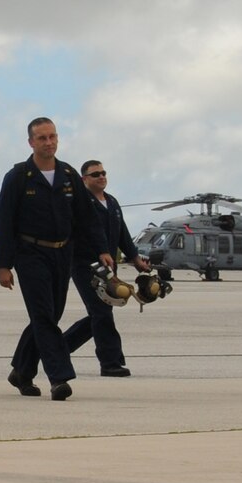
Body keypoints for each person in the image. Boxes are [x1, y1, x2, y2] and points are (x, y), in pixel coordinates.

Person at [0, 117, 110, 401]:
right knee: (44, 315)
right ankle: (59, 378)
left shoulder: (69, 175)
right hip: (30, 253)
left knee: (49, 315)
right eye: (42, 138)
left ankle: (21, 371)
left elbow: (87, 218)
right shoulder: (18, 177)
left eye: (52, 137)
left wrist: (103, 249)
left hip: (62, 253)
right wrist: (4, 264)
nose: (49, 143)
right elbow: (4, 222)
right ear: (31, 142)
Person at [43, 160, 152, 378]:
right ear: (84, 179)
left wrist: (135, 258)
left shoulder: (111, 202)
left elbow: (122, 234)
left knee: (100, 313)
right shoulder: (79, 204)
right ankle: (110, 362)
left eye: (103, 173)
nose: (101, 177)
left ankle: (59, 348)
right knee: (101, 312)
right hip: (86, 265)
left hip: (109, 267)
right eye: (95, 174)